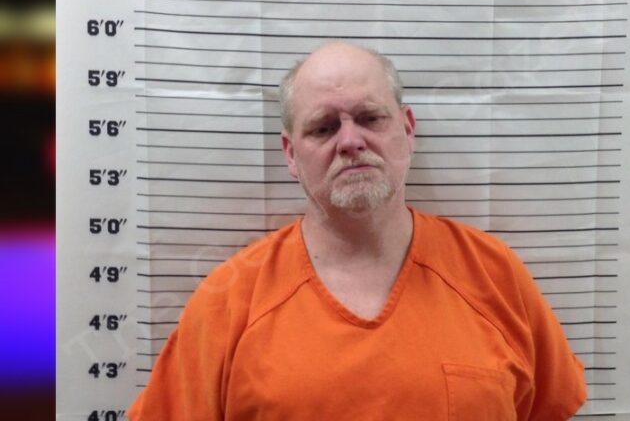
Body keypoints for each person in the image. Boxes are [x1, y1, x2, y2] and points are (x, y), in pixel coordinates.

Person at [129, 41, 587, 420]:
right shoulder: (229, 301)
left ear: (407, 129)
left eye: (370, 118)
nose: (350, 142)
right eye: (323, 128)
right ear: (290, 154)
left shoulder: (494, 274)